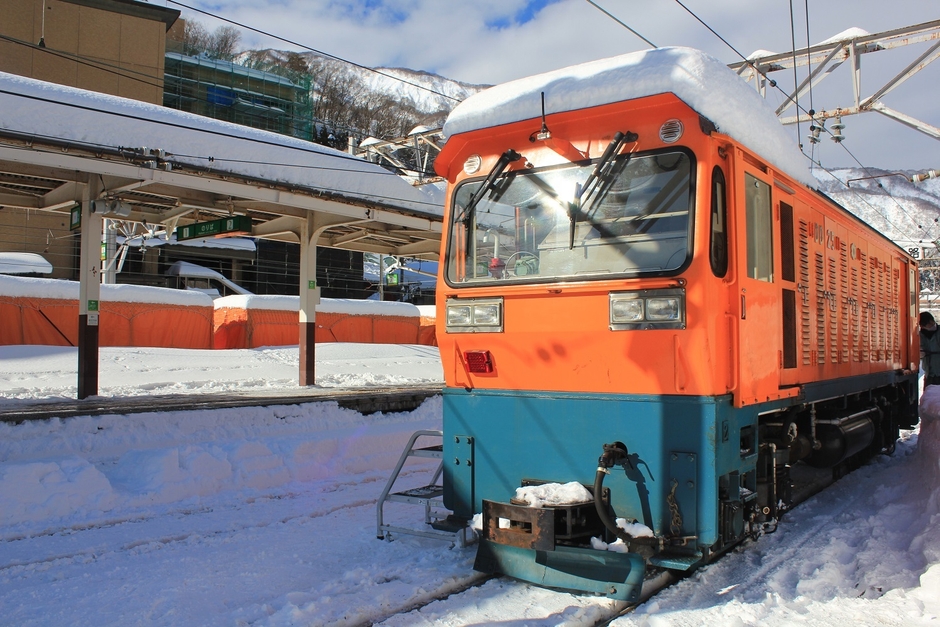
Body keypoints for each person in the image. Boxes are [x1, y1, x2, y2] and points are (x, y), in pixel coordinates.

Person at [920, 311, 940, 386]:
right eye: (923, 326)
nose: (925, 328)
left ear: (932, 321)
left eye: (926, 325)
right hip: (929, 374)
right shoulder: (919, 335)